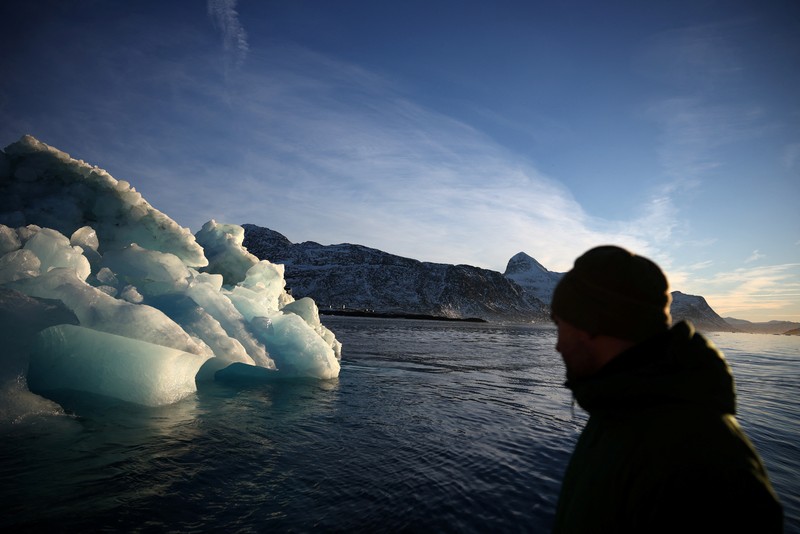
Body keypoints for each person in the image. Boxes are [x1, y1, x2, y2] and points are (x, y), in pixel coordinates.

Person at [549, 245, 783, 533]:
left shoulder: (701, 463)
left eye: (560, 326)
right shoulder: (617, 409)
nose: (558, 344)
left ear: (592, 324)